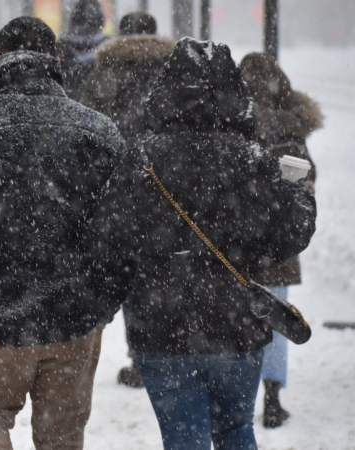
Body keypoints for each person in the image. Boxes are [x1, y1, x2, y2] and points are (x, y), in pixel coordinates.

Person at [89, 39, 317, 450]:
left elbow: (109, 237)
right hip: (236, 325)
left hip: (161, 327)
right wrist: (299, 191)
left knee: (183, 439)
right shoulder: (251, 159)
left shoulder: (142, 159)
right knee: (235, 430)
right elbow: (289, 237)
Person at [0, 17, 123, 450]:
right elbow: (122, 233)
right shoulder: (99, 131)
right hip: (74, 316)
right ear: (55, 60)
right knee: (62, 436)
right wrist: (102, 306)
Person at [80, 12, 175, 388]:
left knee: (130, 275)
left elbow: (89, 131)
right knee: (165, 272)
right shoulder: (174, 71)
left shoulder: (104, 73)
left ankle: (141, 357)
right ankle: (169, 349)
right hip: (168, 189)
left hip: (119, 192)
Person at [240, 52, 324, 429]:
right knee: (278, 319)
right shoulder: (291, 127)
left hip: (239, 243)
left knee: (240, 316)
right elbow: (308, 178)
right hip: (280, 247)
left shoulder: (233, 119)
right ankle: (273, 397)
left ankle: (241, 393)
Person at [58, 0, 109, 100]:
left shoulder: (62, 44)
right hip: (98, 102)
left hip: (69, 102)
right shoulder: (107, 45)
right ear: (100, 19)